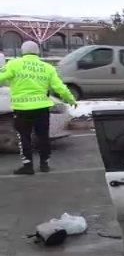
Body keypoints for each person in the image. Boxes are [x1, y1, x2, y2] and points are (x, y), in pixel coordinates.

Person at [0, 40, 77, 175]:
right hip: (42, 108)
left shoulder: (13, 64)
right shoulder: (47, 67)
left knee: (24, 137)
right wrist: (70, 99)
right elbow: (59, 86)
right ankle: (44, 164)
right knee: (43, 137)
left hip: (22, 109)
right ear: (37, 51)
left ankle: (28, 166)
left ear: (22, 51)